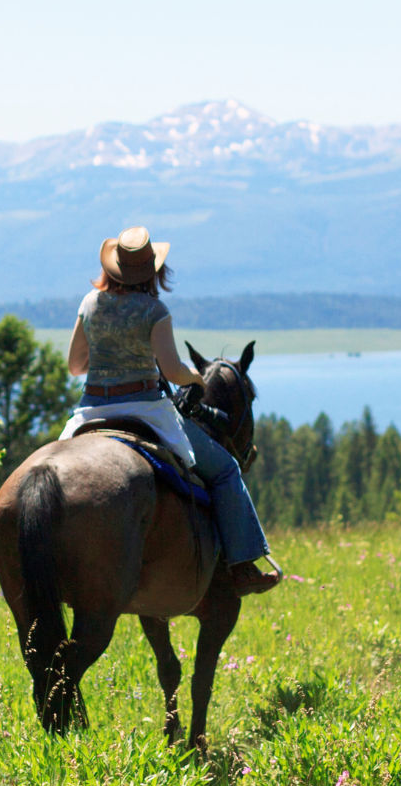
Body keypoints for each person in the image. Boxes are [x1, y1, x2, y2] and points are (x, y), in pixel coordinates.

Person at [60, 226, 282, 595]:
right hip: (148, 411)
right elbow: (172, 370)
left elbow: (75, 365)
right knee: (226, 470)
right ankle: (243, 566)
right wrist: (196, 379)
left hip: (90, 411)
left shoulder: (89, 303)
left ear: (113, 268)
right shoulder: (155, 310)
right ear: (153, 272)